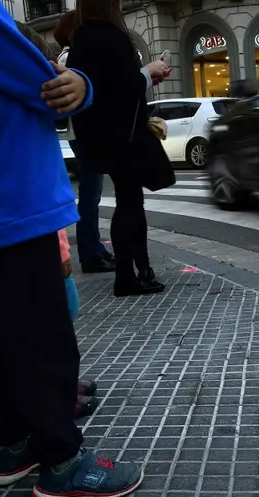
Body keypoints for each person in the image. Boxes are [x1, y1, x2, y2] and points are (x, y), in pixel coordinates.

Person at [0, 0, 143, 497]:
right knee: (44, 330)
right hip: (13, 186)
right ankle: (61, 460)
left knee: (4, 328)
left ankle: (12, 443)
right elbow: (46, 86)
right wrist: (81, 85)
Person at [67, 0, 174, 297]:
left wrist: (145, 76)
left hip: (104, 135)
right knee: (130, 204)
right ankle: (134, 274)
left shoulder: (83, 37)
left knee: (127, 203)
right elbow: (120, 86)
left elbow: (102, 86)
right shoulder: (107, 36)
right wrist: (147, 71)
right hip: (122, 136)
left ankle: (132, 273)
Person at [54, 10, 116, 274]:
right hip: (83, 133)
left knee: (92, 195)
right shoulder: (70, 57)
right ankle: (91, 254)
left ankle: (96, 250)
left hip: (82, 133)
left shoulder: (68, 56)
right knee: (90, 197)